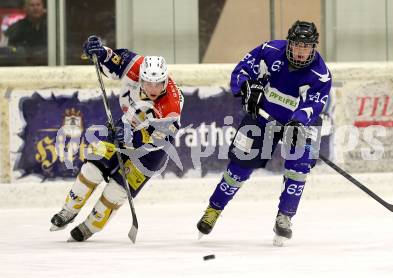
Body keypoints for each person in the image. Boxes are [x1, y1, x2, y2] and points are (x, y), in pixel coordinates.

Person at [196, 20, 332, 246]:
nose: (300, 51)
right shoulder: (269, 51)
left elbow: (313, 105)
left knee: (299, 165)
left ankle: (285, 217)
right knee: (239, 167)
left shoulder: (320, 75)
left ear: (313, 48)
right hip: (262, 117)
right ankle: (214, 209)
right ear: (289, 43)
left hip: (296, 124)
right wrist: (246, 87)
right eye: (297, 45)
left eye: (306, 47)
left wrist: (298, 122)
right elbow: (241, 71)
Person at [50, 35, 184, 242]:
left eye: (158, 84)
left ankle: (90, 227)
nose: (153, 89)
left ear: (166, 79)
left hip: (150, 154)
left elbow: (158, 141)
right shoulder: (135, 65)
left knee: (115, 191)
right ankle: (68, 211)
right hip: (124, 126)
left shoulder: (171, 106)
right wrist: (98, 51)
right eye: (148, 83)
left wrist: (133, 138)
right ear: (141, 77)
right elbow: (112, 59)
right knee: (92, 168)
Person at [4, 0, 47, 65]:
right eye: (32, 5)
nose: (36, 8)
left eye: (38, 5)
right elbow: (5, 49)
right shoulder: (16, 28)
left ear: (43, 8)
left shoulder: (52, 27)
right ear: (25, 9)